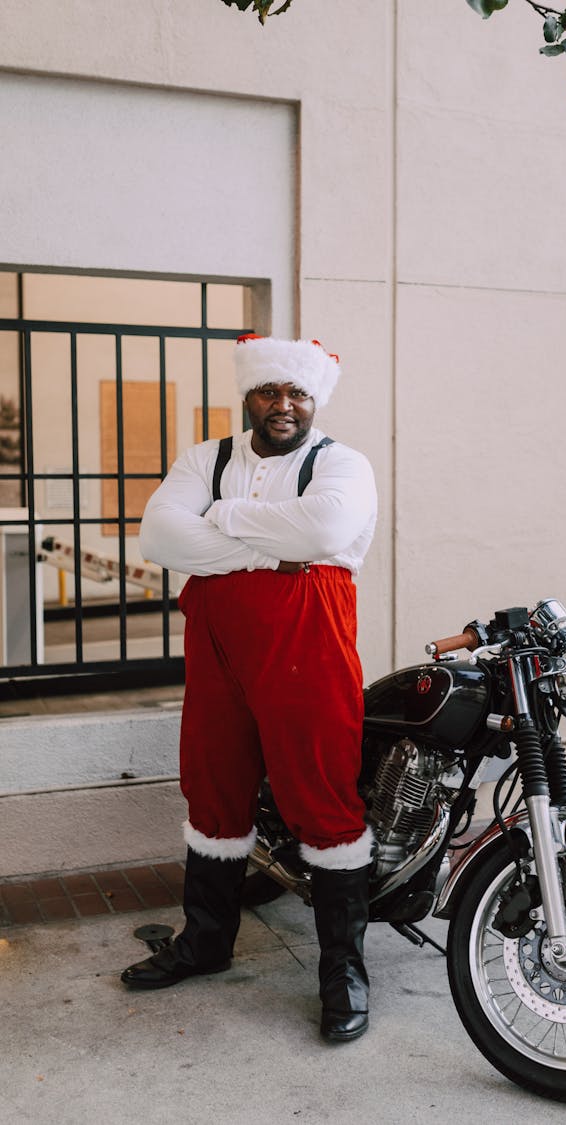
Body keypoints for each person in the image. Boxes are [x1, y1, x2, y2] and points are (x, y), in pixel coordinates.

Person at [120, 335, 378, 1044]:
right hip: (217, 647)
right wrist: (277, 545)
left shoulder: (342, 463)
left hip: (309, 643)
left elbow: (326, 526)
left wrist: (222, 520)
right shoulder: (208, 458)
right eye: (270, 391)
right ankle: (206, 942)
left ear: (313, 399)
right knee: (214, 786)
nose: (283, 405)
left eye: (296, 393)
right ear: (250, 395)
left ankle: (343, 971)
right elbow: (160, 538)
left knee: (324, 796)